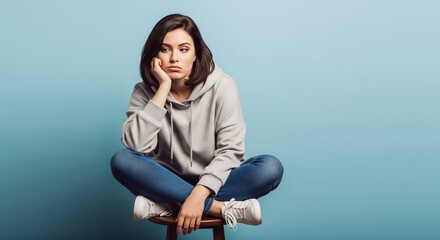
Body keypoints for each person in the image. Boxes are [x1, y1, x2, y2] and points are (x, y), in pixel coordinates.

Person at [110, 13, 284, 236]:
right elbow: (137, 146)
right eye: (165, 49)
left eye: (183, 49)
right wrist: (163, 89)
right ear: (154, 55)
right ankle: (221, 209)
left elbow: (231, 150)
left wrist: (200, 194)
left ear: (195, 54)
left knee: (270, 167)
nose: (174, 58)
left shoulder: (222, 86)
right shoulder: (144, 92)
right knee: (122, 159)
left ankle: (167, 205)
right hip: (163, 179)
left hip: (216, 181)